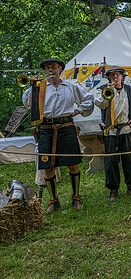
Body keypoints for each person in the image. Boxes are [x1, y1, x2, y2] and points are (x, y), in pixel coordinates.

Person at [22, 58, 94, 213]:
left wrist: (78, 109)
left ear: (60, 69)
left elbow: (88, 99)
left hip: (66, 127)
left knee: (72, 163)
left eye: (54, 67)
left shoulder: (71, 86)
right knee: (48, 166)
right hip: (46, 129)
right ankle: (53, 201)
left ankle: (76, 198)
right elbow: (27, 103)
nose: (50, 70)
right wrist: (33, 88)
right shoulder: (39, 88)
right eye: (48, 67)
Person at [95, 67, 131, 202]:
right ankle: (113, 189)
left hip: (125, 130)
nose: (115, 77)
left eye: (117, 75)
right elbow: (100, 104)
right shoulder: (103, 90)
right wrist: (109, 91)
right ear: (109, 78)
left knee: (129, 159)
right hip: (110, 131)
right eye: (112, 75)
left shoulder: (130, 90)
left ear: (122, 77)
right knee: (111, 162)